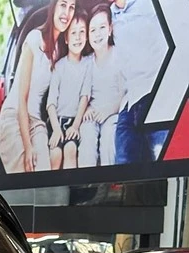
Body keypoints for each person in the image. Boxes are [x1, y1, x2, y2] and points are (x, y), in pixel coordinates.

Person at [0, 0, 76, 172]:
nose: (67, 13)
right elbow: (22, 98)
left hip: (36, 121)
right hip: (15, 116)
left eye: (72, 7)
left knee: (43, 170)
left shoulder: (58, 50)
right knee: (26, 168)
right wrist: (28, 147)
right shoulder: (34, 38)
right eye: (63, 5)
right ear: (53, 7)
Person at [111, 0, 167, 163]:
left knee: (164, 163)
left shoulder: (150, 4)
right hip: (130, 103)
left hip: (157, 97)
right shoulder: (110, 15)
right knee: (124, 167)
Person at [79, 3, 126, 166]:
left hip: (114, 111)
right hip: (93, 112)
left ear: (110, 29)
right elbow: (84, 94)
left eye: (102, 27)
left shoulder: (118, 55)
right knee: (87, 133)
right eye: (92, 30)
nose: (97, 34)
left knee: (109, 136)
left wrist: (109, 110)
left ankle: (111, 176)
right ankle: (87, 176)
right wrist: (87, 109)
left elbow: (125, 93)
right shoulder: (88, 63)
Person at [45, 9, 92, 169]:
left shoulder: (88, 64)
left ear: (87, 36)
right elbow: (51, 103)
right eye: (73, 33)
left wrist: (75, 126)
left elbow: (84, 96)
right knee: (55, 154)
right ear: (66, 38)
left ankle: (71, 184)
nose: (78, 37)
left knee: (70, 149)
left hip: (74, 120)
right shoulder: (59, 66)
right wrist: (56, 130)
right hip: (56, 121)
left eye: (82, 32)